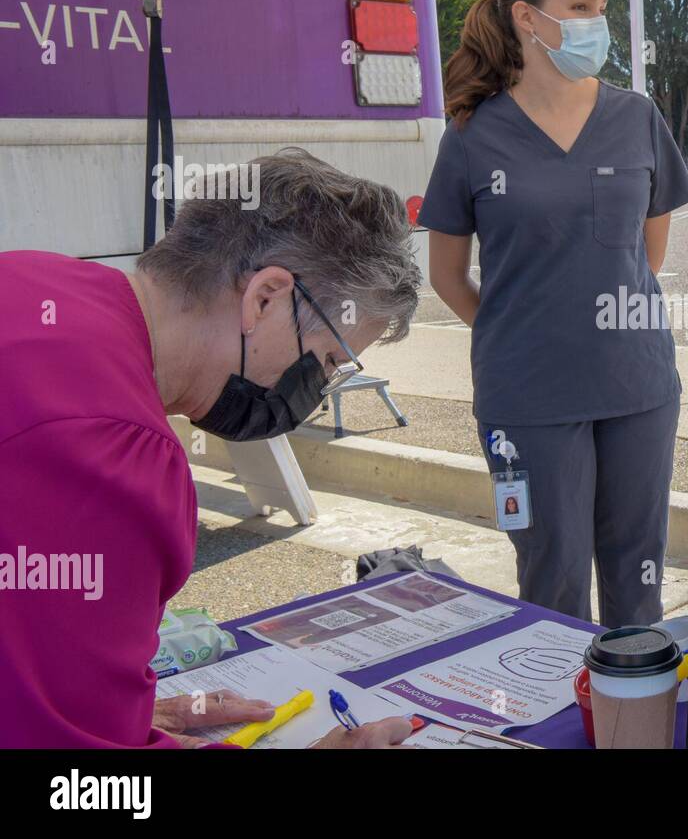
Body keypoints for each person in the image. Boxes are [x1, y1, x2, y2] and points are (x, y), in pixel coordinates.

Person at [0, 149, 423, 748]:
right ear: (267, 297)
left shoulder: (37, 277)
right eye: (328, 361)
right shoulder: (113, 451)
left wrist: (106, 707)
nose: (317, 392)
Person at [420, 0, 688, 627]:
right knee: (552, 582)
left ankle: (636, 723)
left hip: (637, 387)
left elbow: (647, 253)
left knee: (638, 578)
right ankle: (557, 725)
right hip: (529, 400)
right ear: (528, 18)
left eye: (601, 9)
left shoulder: (637, 118)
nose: (596, 23)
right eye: (581, 8)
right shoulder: (472, 135)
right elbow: (447, 275)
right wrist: (520, 328)